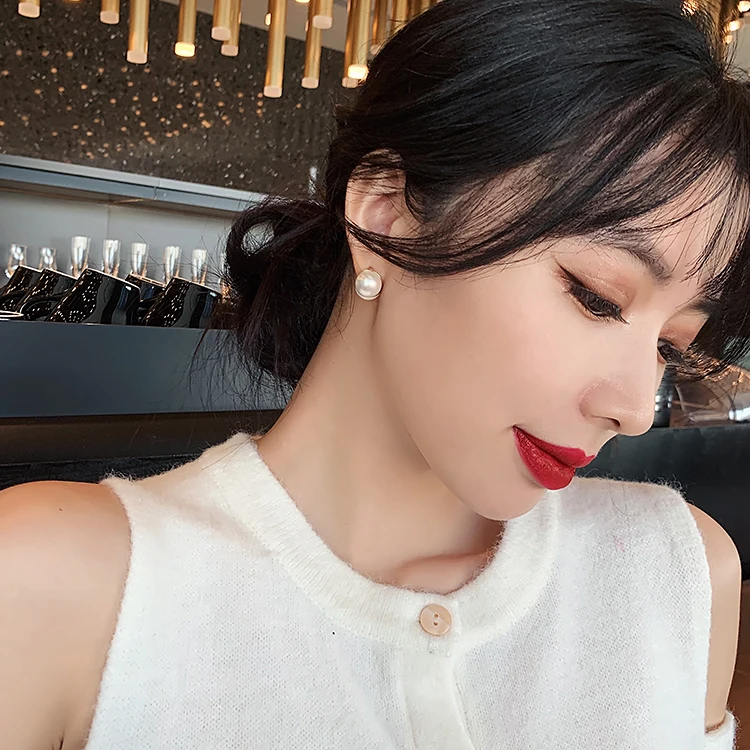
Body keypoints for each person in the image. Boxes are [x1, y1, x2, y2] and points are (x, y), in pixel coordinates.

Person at [2, 0, 750, 747]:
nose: (636, 408)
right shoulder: (61, 586)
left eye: (671, 345)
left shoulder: (681, 576)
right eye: (596, 297)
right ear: (386, 213)